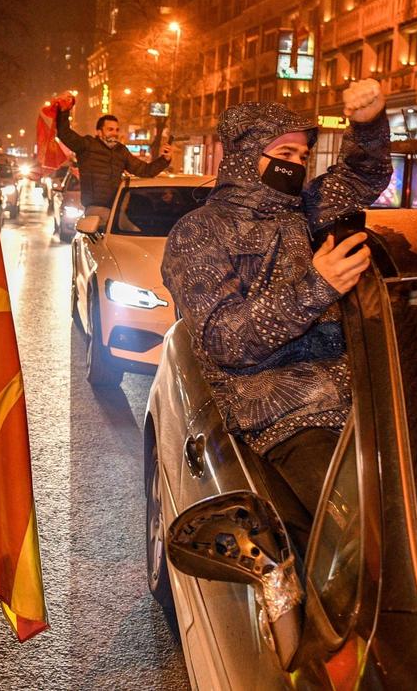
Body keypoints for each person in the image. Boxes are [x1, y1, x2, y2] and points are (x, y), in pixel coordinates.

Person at [161, 79, 392, 551]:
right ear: (247, 155)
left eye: (303, 158)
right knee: (361, 543)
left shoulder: (303, 210)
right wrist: (316, 285)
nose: (297, 166)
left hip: (362, 402)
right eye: (284, 154)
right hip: (287, 420)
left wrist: (367, 125)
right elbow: (225, 341)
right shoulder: (199, 232)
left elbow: (363, 176)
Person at [53, 96, 173, 221]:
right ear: (99, 132)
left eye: (117, 129)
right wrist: (64, 110)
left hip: (116, 208)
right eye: (110, 129)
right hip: (95, 209)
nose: (115, 133)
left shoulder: (121, 151)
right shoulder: (87, 145)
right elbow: (65, 133)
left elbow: (145, 170)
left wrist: (165, 159)